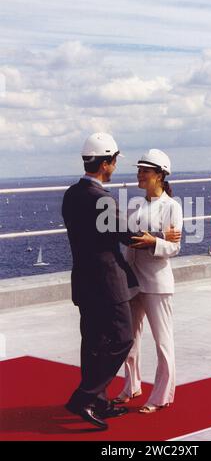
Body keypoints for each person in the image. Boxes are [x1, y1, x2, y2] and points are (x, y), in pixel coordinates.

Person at [62, 132, 138, 430]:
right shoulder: (101, 198)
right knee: (122, 337)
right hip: (108, 281)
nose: (116, 165)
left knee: (93, 342)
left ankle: (98, 400)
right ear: (106, 163)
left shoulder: (72, 194)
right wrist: (157, 238)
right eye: (114, 160)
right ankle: (86, 397)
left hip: (83, 279)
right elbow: (126, 235)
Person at [112, 149, 183, 413]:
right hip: (133, 280)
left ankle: (161, 395)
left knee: (163, 341)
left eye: (145, 170)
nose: (139, 174)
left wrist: (154, 241)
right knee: (128, 339)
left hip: (156, 283)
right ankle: (131, 386)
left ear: (160, 176)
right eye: (139, 169)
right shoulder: (137, 205)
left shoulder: (172, 207)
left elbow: (174, 248)